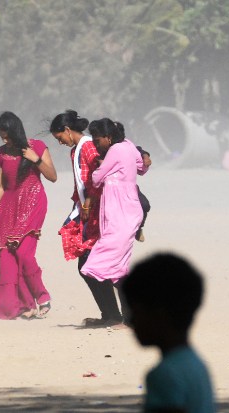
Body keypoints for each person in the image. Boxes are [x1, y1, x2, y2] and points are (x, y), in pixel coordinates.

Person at [50, 110, 123, 327]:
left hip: (99, 215)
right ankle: (111, 315)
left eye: (59, 137)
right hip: (87, 214)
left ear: (67, 130)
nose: (60, 142)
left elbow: (99, 172)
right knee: (90, 266)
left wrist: (90, 201)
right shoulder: (76, 151)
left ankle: (116, 316)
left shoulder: (89, 146)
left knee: (94, 265)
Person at [0, 111, 57, 319]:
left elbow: (52, 177)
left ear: (17, 131)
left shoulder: (37, 147)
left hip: (33, 202)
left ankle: (42, 297)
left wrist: (36, 160)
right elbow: (0, 187)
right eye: (2, 137)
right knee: (7, 256)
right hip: (9, 207)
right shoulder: (2, 152)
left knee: (24, 253)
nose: (5, 140)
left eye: (7, 136)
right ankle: (26, 305)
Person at [122, 253, 216, 413]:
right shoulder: (194, 364)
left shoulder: (164, 375)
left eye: (135, 312)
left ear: (159, 315)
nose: (131, 322)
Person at [80, 118, 149, 326]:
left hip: (120, 212)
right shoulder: (128, 146)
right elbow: (142, 166)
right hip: (125, 210)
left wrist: (100, 167)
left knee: (96, 263)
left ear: (108, 137)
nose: (95, 143)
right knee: (118, 266)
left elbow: (96, 178)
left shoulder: (116, 150)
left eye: (97, 139)